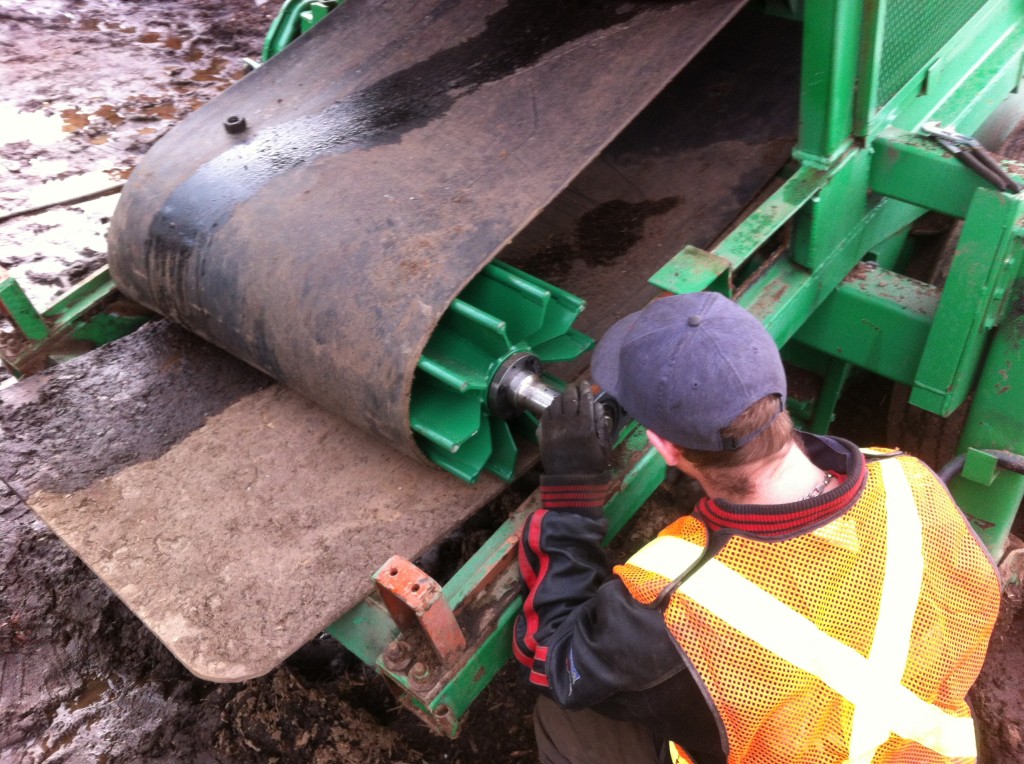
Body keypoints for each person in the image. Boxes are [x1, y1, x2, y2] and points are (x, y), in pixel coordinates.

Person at [513, 291, 1001, 764]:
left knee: (567, 721)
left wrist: (572, 492)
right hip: (924, 751)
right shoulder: (907, 479)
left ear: (665, 448)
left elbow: (551, 656)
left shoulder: (673, 606)